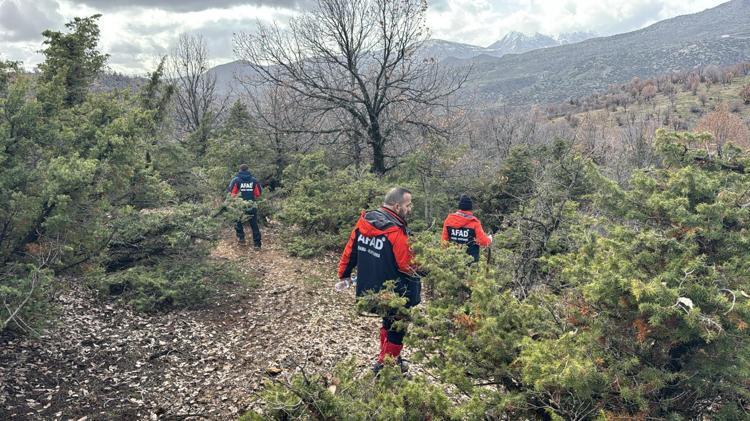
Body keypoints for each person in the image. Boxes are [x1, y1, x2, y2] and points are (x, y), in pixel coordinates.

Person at [338, 187, 421, 373]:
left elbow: (350, 251)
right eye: (408, 205)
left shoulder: (365, 222)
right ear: (397, 206)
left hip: (374, 288)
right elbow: (407, 266)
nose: (410, 209)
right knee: (397, 328)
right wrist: (428, 267)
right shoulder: (395, 231)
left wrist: (344, 274)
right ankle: (385, 368)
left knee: (388, 322)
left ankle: (388, 359)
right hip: (397, 291)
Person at [442, 195, 492, 263]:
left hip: (453, 261)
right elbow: (483, 242)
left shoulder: (448, 220)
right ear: (470, 208)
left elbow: (444, 242)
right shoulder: (474, 222)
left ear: (460, 207)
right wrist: (489, 239)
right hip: (471, 262)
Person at [227, 164, 262, 248]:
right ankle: (257, 244)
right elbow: (258, 194)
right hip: (251, 205)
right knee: (254, 225)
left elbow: (232, 194)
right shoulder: (254, 180)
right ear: (248, 170)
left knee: (237, 222)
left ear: (240, 170)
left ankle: (241, 239)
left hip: (239, 206)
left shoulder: (236, 180)